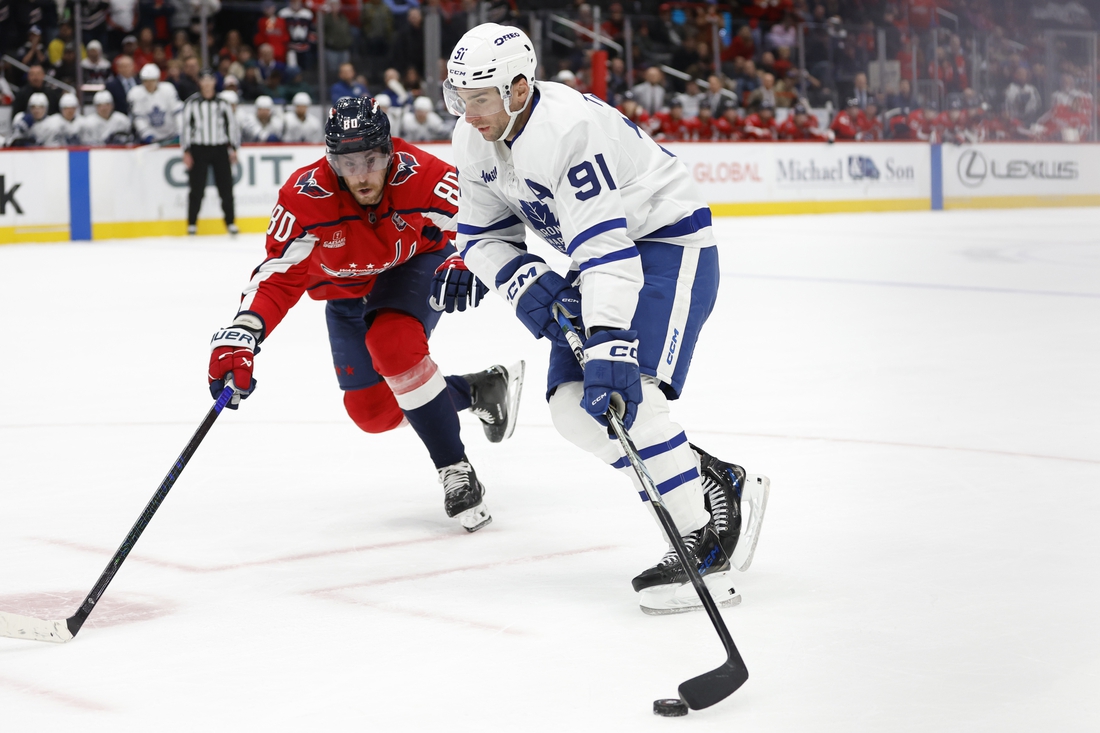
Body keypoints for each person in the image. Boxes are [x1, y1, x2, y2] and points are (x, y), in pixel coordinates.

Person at [438, 24, 768, 615]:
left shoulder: (566, 128)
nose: (469, 112)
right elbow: (481, 235)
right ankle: (710, 480)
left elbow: (605, 247)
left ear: (518, 89)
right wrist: (523, 280)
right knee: (572, 408)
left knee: (628, 388)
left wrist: (610, 338)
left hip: (667, 244)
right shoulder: (472, 135)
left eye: (480, 97)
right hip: (603, 257)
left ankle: (703, 542)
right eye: (459, 97)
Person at [206, 96, 524, 532]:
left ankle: (455, 469)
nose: (360, 175)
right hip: (345, 298)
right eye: (348, 163)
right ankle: (476, 391)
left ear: (389, 151)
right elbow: (277, 276)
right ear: (331, 160)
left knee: (392, 343)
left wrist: (466, 259)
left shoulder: (420, 173)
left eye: (371, 160)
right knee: (373, 414)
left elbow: (480, 220)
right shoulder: (304, 197)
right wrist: (243, 332)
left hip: (411, 268)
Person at [181, 69, 239, 236]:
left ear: (214, 82)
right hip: (199, 148)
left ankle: (230, 222)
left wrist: (233, 149)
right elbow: (185, 128)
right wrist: (186, 151)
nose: (207, 84)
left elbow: (231, 126)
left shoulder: (223, 103)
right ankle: (192, 223)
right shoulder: (192, 103)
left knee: (226, 188)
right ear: (199, 82)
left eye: (210, 80)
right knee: (196, 188)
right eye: (204, 80)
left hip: (220, 148)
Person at [129, 62, 182, 143]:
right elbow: (138, 117)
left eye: (152, 80)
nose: (149, 84)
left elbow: (177, 112)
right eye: (146, 81)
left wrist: (180, 131)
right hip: (150, 138)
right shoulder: (135, 93)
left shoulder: (168, 89)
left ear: (158, 80)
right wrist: (146, 134)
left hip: (172, 135)